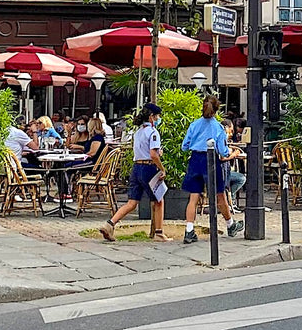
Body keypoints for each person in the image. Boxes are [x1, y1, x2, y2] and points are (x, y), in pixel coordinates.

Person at [177, 97, 243, 243]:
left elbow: (184, 146)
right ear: (216, 110)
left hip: (195, 160)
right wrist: (231, 152)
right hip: (211, 160)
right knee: (220, 195)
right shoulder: (218, 127)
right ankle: (230, 225)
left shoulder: (194, 125)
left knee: (193, 197)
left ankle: (189, 230)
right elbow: (223, 151)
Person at [101, 102, 167, 242]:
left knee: (132, 202)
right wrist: (161, 168)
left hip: (136, 167)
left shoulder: (138, 132)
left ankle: (110, 224)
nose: (158, 119)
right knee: (159, 200)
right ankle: (159, 233)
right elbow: (153, 154)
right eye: (157, 116)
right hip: (148, 168)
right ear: (151, 117)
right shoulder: (153, 132)